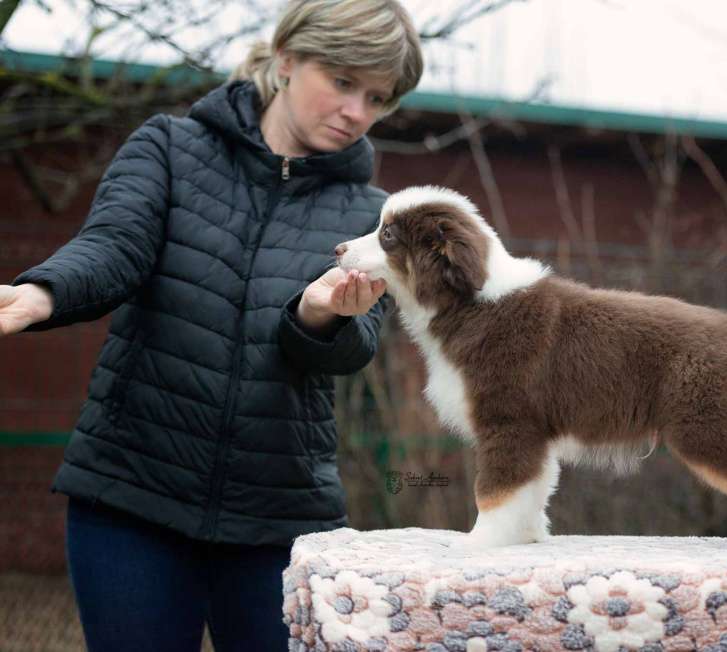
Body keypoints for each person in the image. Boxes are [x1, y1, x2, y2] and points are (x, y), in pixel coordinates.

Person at [0, 0, 423, 649]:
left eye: (377, 97)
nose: (356, 112)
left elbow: (356, 345)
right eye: (343, 82)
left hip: (281, 522)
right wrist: (40, 295)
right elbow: (115, 247)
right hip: (131, 498)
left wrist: (316, 316)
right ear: (287, 58)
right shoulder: (170, 148)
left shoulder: (376, 217)